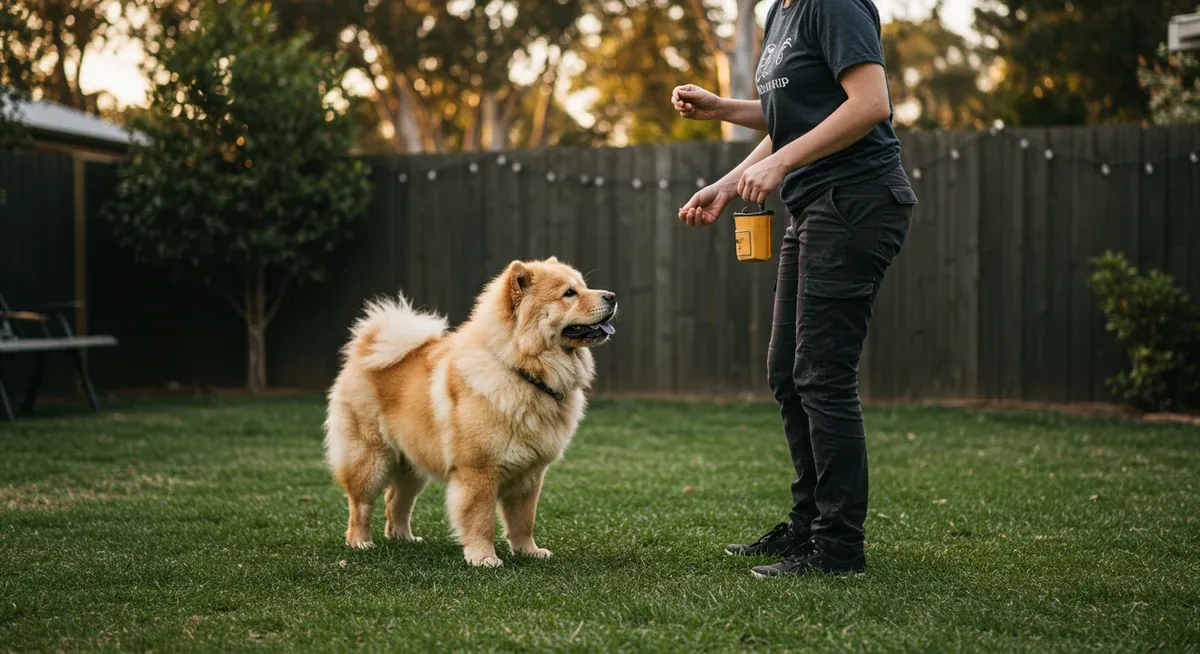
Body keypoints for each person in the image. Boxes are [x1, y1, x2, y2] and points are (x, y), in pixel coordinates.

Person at [671, 0, 915, 578]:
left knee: (823, 375)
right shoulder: (780, 15)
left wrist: (780, 166)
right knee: (787, 372)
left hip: (856, 200)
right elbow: (795, 115)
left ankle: (838, 549)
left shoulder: (830, 4)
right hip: (813, 205)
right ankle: (807, 527)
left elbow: (870, 105)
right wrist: (726, 155)